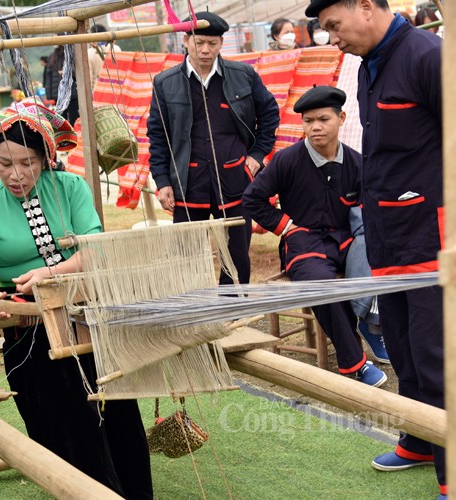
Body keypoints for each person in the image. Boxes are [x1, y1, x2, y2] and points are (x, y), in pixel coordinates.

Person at [0, 98, 153, 499]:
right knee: (66, 432)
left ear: (46, 157)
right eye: (4, 164)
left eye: (27, 162)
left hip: (88, 322)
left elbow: (95, 248)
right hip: (29, 334)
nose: (16, 174)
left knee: (118, 421)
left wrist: (51, 273)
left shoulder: (70, 188)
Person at [309, 0, 445, 497]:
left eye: (333, 25)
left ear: (366, 6)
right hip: (387, 235)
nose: (332, 38)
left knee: (436, 355)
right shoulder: (368, 64)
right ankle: (420, 438)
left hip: (432, 236)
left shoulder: (428, 57)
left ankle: (451, 471)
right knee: (403, 348)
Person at [243, 85, 387, 386]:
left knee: (386, 255)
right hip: (303, 242)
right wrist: (284, 225)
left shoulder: (357, 162)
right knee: (320, 286)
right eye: (308, 121)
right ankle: (355, 365)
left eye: (323, 119)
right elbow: (252, 199)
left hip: (347, 241)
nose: (316, 127)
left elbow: (370, 206)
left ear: (342, 118)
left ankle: (373, 326)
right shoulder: (287, 160)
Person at [147, 11, 280, 286]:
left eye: (212, 43)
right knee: (185, 255)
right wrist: (162, 181)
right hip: (187, 181)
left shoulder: (243, 75)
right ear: (186, 41)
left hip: (235, 178)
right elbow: (157, 136)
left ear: (221, 43)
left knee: (237, 256)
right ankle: (195, 313)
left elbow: (269, 114)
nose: (205, 50)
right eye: (199, 42)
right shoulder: (165, 82)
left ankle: (232, 312)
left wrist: (256, 155)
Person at [48, 45, 80, 125]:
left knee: (73, 118)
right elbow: (49, 77)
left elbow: (78, 72)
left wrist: (67, 73)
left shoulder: (71, 55)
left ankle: (73, 135)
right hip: (59, 94)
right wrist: (50, 95)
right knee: (61, 119)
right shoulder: (53, 56)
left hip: (71, 93)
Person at [88, 24, 121, 88]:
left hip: (98, 89)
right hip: (116, 88)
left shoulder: (89, 53)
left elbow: (90, 78)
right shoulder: (117, 49)